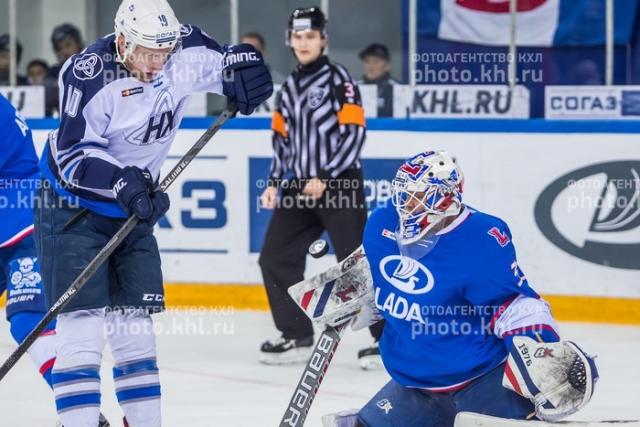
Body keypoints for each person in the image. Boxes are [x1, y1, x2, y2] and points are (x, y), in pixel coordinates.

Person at [35, 0, 272, 425]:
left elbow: (231, 65)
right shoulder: (88, 74)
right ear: (122, 40)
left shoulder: (181, 51)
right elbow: (72, 156)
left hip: (133, 205)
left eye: (163, 53)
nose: (155, 63)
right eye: (145, 51)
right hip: (72, 209)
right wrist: (122, 181)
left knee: (135, 331)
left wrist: (247, 70)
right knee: (82, 332)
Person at [323, 150, 599, 427]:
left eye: (418, 196)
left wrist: (540, 349)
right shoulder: (382, 222)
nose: (406, 205)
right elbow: (374, 275)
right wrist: (348, 295)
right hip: (414, 383)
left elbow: (513, 304)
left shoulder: (480, 238)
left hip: (482, 381)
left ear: (444, 199)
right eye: (404, 194)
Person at [258, 6, 381, 367]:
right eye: (298, 36)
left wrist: (325, 175)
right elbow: (281, 141)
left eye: (310, 35)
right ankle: (296, 336)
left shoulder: (339, 79)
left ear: (323, 39)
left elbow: (355, 133)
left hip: (338, 184)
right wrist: (274, 183)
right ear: (289, 39)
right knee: (275, 257)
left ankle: (389, 342)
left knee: (358, 264)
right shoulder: (289, 87)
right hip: (299, 187)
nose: (303, 42)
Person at [358, 43, 398, 118]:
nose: (371, 66)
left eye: (376, 61)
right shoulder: (354, 88)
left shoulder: (398, 89)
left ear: (387, 66)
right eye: (367, 61)